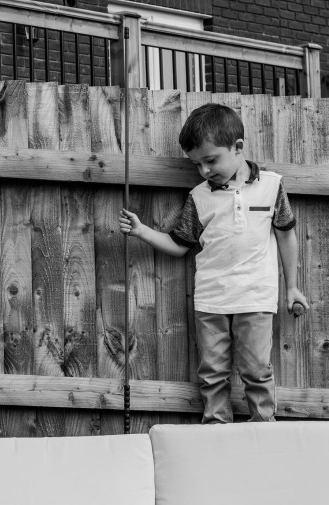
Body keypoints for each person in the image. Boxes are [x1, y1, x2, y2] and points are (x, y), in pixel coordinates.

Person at [119, 103, 308, 424]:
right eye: (197, 165)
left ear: (237, 148)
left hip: (256, 299)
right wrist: (142, 231)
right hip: (210, 302)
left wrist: (292, 287)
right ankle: (216, 433)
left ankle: (265, 430)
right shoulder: (199, 196)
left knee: (257, 370)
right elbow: (179, 245)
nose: (205, 170)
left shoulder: (272, 186)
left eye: (210, 160)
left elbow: (287, 236)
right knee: (212, 374)